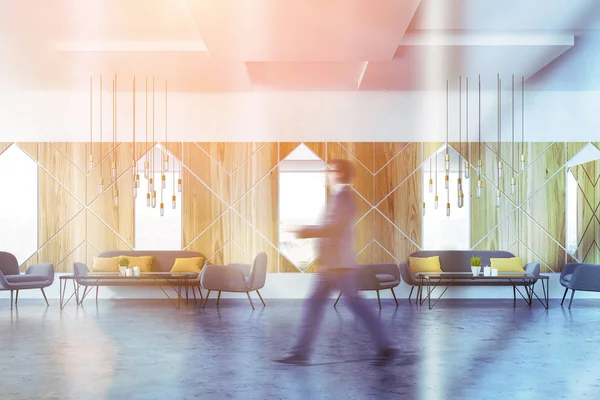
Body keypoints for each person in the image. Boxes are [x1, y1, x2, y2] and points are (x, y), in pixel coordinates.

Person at [275, 158, 397, 365]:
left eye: (331, 170)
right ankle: (301, 352)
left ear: (340, 173)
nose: (328, 173)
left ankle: (385, 346)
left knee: (354, 305)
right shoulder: (339, 197)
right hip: (332, 265)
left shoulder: (344, 197)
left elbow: (334, 228)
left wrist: (302, 230)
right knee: (319, 305)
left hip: (339, 266)